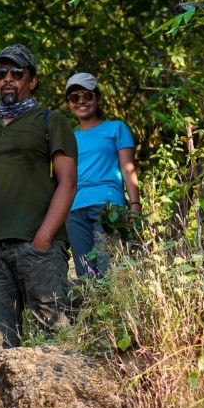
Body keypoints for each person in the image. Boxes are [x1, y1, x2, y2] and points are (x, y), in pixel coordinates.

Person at [0, 44, 77, 356]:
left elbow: (68, 182)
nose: (7, 79)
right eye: (1, 73)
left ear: (32, 80)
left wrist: (44, 239)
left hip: (39, 248)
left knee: (52, 337)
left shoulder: (50, 121)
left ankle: (55, 404)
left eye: (16, 73)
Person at [63, 73, 141, 279]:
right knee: (86, 277)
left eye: (86, 96)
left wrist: (135, 206)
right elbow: (67, 179)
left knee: (109, 271)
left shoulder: (116, 128)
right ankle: (94, 312)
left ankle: (115, 312)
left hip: (108, 206)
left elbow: (128, 168)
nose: (81, 101)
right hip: (75, 212)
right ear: (69, 103)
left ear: (97, 98)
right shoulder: (70, 137)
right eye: (74, 97)